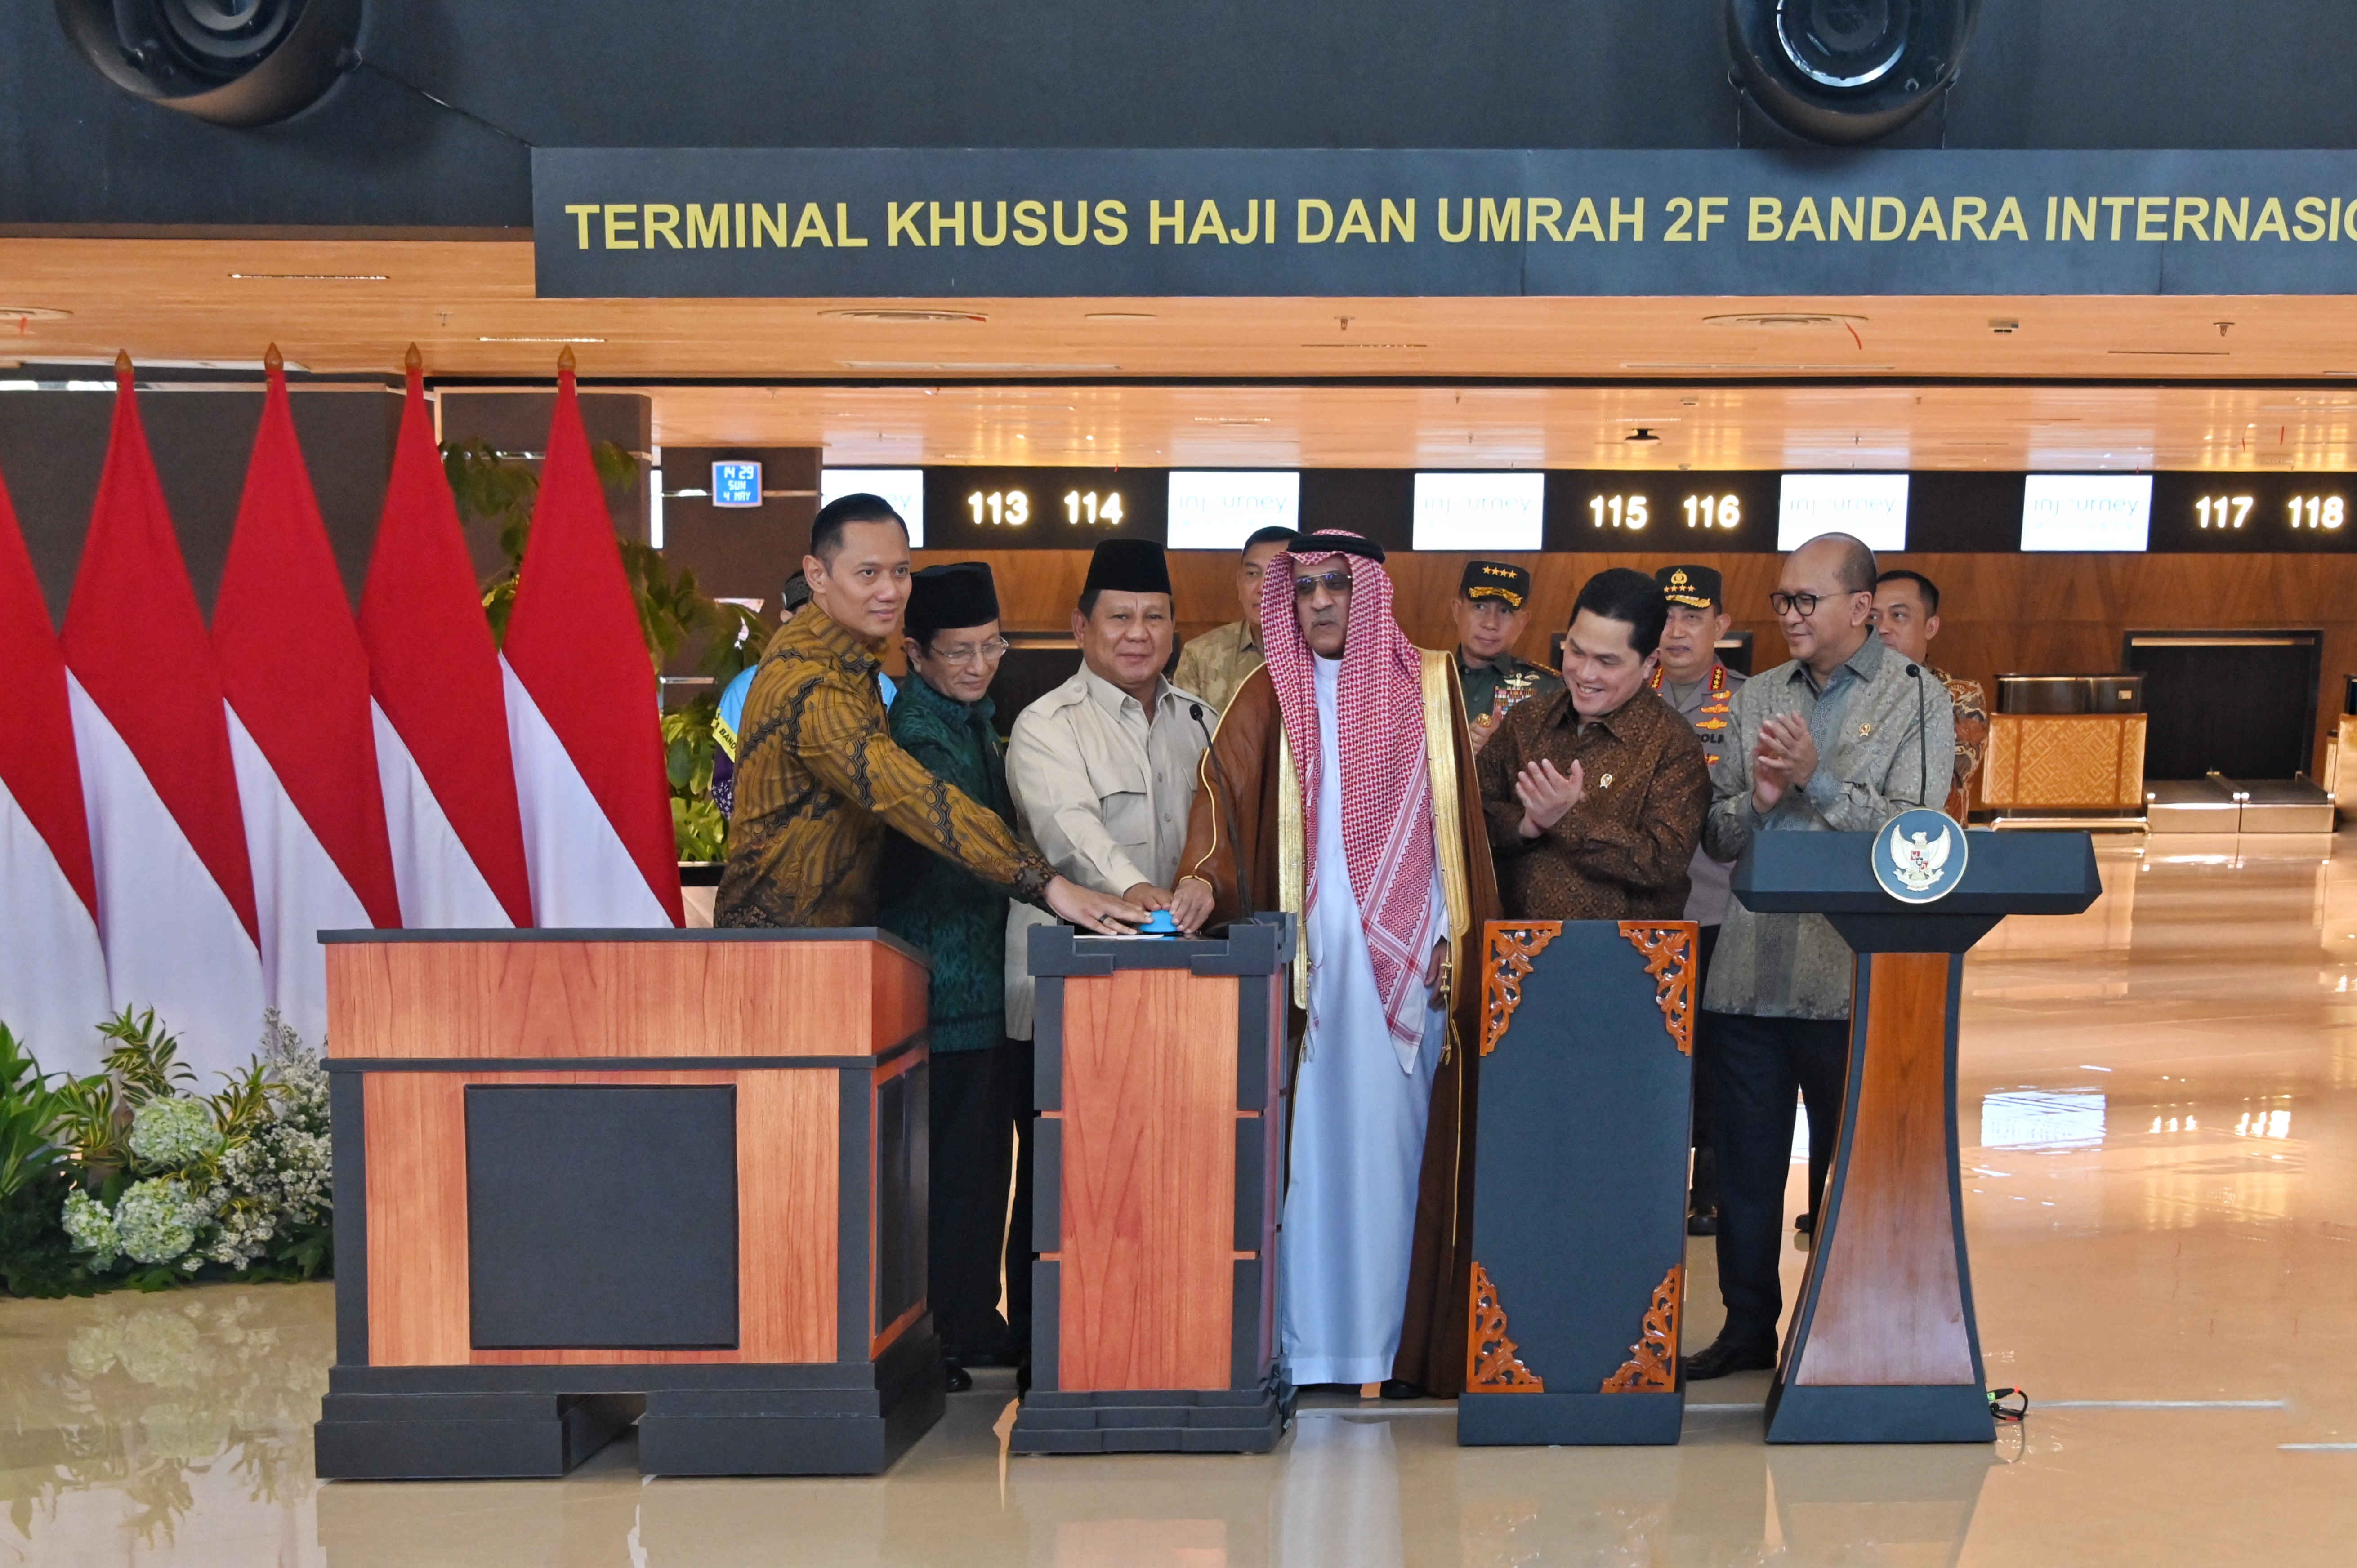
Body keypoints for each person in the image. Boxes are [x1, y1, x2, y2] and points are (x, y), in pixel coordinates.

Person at [1170, 531, 1502, 1399]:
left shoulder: (1428, 683)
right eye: (1305, 586)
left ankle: (1394, 1350)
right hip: (1307, 977)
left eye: (1336, 585)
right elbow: (1220, 794)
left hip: (1409, 967)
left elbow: (1456, 823)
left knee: (1396, 1157)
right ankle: (1313, 1350)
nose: (1319, 601)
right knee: (1309, 1162)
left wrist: (1453, 933)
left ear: (1370, 593)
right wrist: (1202, 877)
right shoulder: (1267, 691)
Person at [1681, 533, 1955, 1381]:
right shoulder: (1760, 692)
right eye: (1783, 600)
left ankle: (1842, 1335)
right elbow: (1718, 835)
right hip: (1748, 977)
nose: (1791, 615)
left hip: (1850, 984)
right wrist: (1759, 800)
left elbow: (1917, 839)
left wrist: (1815, 779)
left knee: (1851, 1174)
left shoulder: (1918, 698)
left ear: (1860, 608)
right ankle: (1745, 1330)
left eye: (1807, 600)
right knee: (1746, 1175)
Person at [714, 493, 1144, 936]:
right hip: (781, 950)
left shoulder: (848, 661)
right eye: (868, 573)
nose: (890, 591)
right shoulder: (809, 679)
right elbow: (904, 791)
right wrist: (1049, 885)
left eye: (900, 571)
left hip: (826, 946)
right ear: (816, 575)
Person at [875, 562, 1026, 1392]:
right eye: (959, 651)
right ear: (915, 653)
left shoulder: (976, 723)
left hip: (981, 992)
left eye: (991, 647)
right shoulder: (918, 737)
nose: (978, 665)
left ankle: (969, 1320)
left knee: (979, 1173)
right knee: (943, 1180)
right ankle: (935, 1337)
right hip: (939, 995)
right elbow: (968, 847)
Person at [1004, 538, 1211, 1036]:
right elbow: (1069, 829)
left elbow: (1223, 831)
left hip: (1184, 977)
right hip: (1071, 973)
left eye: (1154, 617)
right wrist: (1132, 888)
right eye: (1120, 617)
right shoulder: (1046, 724)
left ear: (1173, 630)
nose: (1138, 633)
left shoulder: (1202, 721)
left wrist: (1207, 880)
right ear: (1081, 627)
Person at [1475, 567, 1710, 921]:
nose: (1585, 674)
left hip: (1625, 950)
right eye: (1576, 652)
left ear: (1649, 663)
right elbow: (1470, 817)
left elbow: (1663, 862)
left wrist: (1566, 818)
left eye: (1606, 661)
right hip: (1515, 945)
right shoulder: (1527, 721)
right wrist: (1527, 824)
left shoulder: (1673, 745)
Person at [1651, 563, 1748, 1236]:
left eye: (1693, 617)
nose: (1676, 631)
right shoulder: (1626, 690)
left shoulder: (1746, 701)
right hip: (1645, 907)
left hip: (1718, 908)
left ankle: (1709, 1190)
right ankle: (1652, 1176)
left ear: (1721, 625)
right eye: (1666, 617)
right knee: (1652, 1051)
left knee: (1716, 1054)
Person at [1873, 569, 1988, 821]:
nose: (1882, 628)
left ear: (1931, 627)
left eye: (1898, 616)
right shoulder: (1848, 688)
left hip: (1936, 836)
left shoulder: (1960, 694)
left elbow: (1944, 781)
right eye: (1873, 617)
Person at [1173, 524, 1299, 714]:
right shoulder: (1200, 657)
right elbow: (1186, 732)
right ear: (1239, 583)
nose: (1263, 587)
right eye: (1253, 574)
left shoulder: (1327, 655)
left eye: (1279, 574)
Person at [1451, 560, 1562, 755]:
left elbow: (1560, 760)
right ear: (1457, 611)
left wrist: (1505, 745)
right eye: (1480, 607)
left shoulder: (1549, 689)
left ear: (1522, 622)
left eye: (1505, 611)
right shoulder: (1423, 682)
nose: (1491, 624)